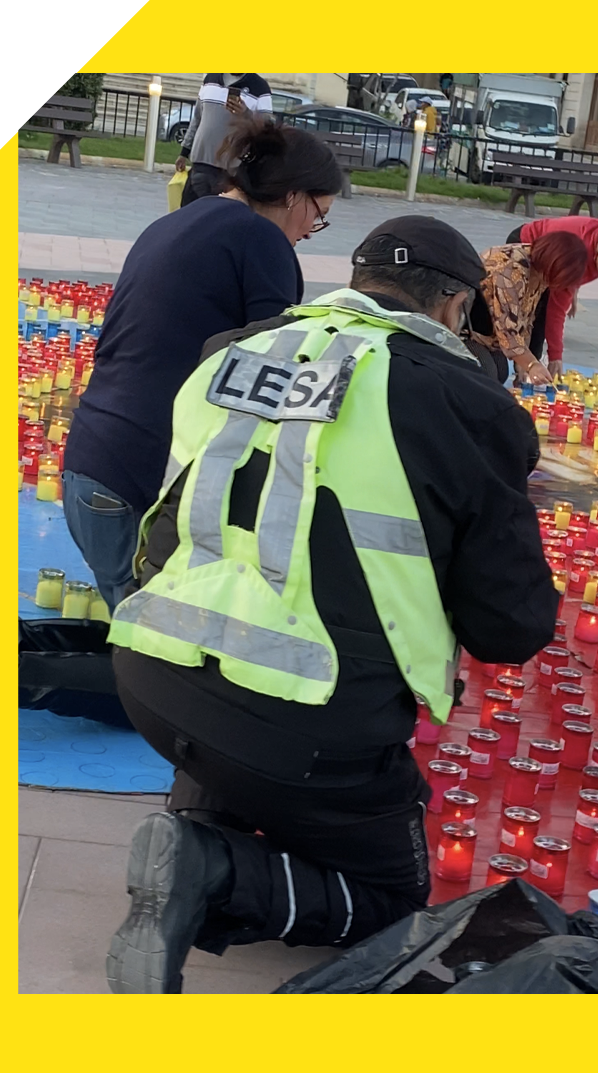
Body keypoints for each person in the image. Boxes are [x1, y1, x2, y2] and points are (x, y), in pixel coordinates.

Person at [101, 216, 558, 992]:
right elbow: (509, 625)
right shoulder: (467, 405)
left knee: (237, 683)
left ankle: (199, 823)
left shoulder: (231, 353)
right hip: (309, 719)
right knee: (392, 901)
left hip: (152, 673)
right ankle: (209, 866)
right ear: (453, 306)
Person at [63, 119, 343, 608]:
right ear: (295, 196)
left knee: (132, 637)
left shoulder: (176, 221)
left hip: (91, 461)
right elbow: (272, 376)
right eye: (318, 216)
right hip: (144, 477)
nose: (308, 233)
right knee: (158, 655)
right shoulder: (262, 242)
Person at [505, 218, 598, 377]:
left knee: (537, 332)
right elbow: (555, 311)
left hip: (556, 260)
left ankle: (527, 367)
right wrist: (555, 356)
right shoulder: (577, 257)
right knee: (529, 315)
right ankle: (521, 370)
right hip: (527, 244)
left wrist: (573, 290)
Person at [464, 230, 589, 386]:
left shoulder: (540, 269)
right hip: (465, 329)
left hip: (488, 333)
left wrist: (524, 360)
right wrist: (530, 364)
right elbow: (507, 327)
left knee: (501, 372)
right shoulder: (509, 269)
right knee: (486, 375)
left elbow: (525, 316)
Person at [177, 73, 272, 206]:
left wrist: (246, 114)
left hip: (230, 172)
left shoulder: (260, 87)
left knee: (216, 219)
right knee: (187, 216)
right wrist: (184, 152)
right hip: (200, 165)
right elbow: (197, 118)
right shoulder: (210, 79)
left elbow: (267, 128)